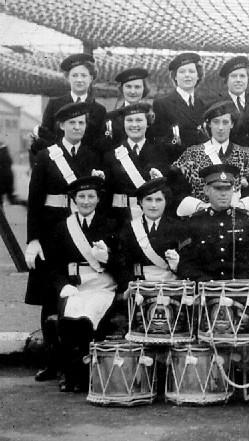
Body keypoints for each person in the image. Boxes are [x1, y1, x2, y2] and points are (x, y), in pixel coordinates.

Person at [24, 102, 104, 383]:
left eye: (81, 123)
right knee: (51, 297)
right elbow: (34, 201)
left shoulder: (94, 155)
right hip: (52, 231)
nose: (77, 127)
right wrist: (33, 239)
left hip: (84, 232)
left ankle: (77, 361)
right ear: (61, 126)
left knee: (83, 292)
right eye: (72, 123)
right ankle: (51, 360)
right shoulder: (47, 156)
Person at [46, 175, 118, 392]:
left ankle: (89, 374)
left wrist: (108, 257)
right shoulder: (62, 227)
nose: (86, 201)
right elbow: (53, 265)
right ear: (73, 200)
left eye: (91, 196)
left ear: (98, 199)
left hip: (102, 285)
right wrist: (62, 286)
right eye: (81, 197)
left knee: (90, 316)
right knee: (70, 314)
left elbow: (123, 261)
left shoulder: (111, 224)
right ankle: (71, 373)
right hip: (75, 285)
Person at [177, 164, 249, 281]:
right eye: (218, 188)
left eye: (227, 188)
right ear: (206, 190)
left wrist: (236, 290)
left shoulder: (245, 219)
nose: (224, 194)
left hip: (238, 291)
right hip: (206, 291)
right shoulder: (195, 222)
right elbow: (186, 266)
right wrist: (209, 286)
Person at [172, 100, 249, 214]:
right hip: (201, 217)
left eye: (225, 122)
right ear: (209, 124)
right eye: (216, 122)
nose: (220, 128)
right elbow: (178, 189)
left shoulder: (246, 154)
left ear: (232, 124)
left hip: (235, 217)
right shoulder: (192, 154)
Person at [31, 54, 107, 160]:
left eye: (83, 76)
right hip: (59, 164)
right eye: (74, 75)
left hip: (87, 165)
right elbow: (45, 138)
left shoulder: (99, 110)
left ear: (91, 78)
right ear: (68, 78)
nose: (79, 80)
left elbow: (100, 144)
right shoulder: (54, 105)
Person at [103, 103, 170, 223]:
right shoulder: (111, 155)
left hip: (153, 217)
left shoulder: (162, 152)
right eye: (129, 120)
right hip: (121, 218)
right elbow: (107, 195)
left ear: (148, 123)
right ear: (123, 123)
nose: (134, 125)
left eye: (139, 120)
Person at [114, 177, 183, 293]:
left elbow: (190, 263)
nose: (154, 205)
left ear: (166, 201)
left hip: (172, 286)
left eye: (159, 200)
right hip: (140, 286)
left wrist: (177, 265)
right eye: (149, 200)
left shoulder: (178, 227)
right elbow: (123, 264)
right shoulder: (129, 229)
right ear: (141, 202)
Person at [149, 52, 208, 160]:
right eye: (182, 72)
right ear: (175, 76)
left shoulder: (203, 105)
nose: (187, 75)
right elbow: (159, 142)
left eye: (191, 71)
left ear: (198, 75)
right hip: (177, 165)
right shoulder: (162, 104)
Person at [216, 56, 249, 152]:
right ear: (226, 80)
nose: (238, 80)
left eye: (242, 76)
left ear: (248, 78)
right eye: (234, 76)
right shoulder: (217, 104)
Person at [102, 67, 151, 147]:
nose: (132, 91)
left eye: (137, 87)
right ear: (122, 89)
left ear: (144, 89)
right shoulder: (111, 118)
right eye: (128, 87)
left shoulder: (153, 114)